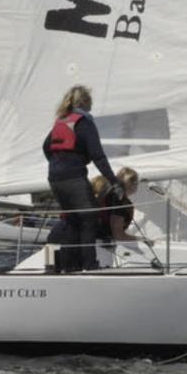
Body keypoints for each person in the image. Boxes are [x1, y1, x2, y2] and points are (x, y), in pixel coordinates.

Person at [43, 85, 121, 271]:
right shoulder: (84, 122)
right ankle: (89, 265)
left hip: (55, 178)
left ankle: (70, 266)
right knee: (89, 217)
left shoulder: (61, 121)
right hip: (73, 177)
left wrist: (58, 164)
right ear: (86, 102)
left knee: (71, 220)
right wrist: (114, 181)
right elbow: (98, 155)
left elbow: (46, 147)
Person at [92, 168, 142, 244]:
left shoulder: (107, 193)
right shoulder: (120, 201)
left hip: (93, 237)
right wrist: (141, 239)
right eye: (136, 182)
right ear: (132, 184)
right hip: (101, 241)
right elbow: (118, 235)